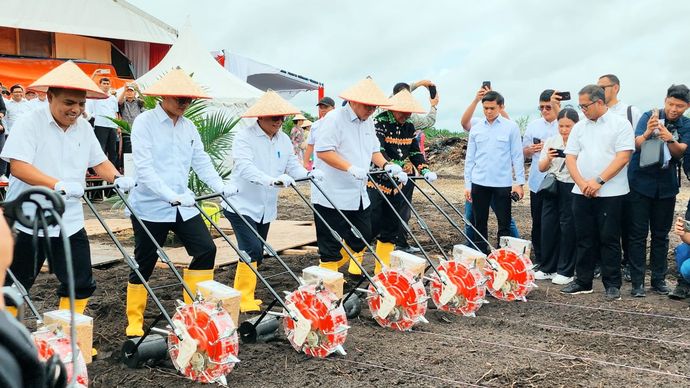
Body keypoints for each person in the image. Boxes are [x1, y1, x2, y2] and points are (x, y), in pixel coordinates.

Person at [0, 61, 135, 329]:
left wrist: (118, 179)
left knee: (80, 280)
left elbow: (99, 162)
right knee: (15, 283)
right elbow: (18, 166)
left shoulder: (83, 127)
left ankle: (67, 332)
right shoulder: (30, 123)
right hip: (29, 220)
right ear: (50, 97)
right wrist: (57, 184)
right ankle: (8, 337)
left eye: (82, 104)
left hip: (69, 219)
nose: (76, 110)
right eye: (69, 102)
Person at [124, 68, 237, 337]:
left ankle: (193, 310)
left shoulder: (189, 127)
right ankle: (134, 320)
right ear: (163, 96)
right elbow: (144, 167)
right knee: (145, 261)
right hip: (150, 205)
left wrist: (220, 186)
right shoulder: (145, 123)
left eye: (189, 100)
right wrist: (168, 194)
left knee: (206, 249)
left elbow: (201, 161)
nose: (185, 104)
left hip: (183, 204)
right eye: (179, 99)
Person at [224, 91, 319, 312]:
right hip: (241, 204)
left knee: (258, 251)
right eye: (274, 118)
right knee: (251, 249)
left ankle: (247, 293)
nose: (279, 122)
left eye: (282, 118)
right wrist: (271, 180)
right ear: (261, 117)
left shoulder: (284, 139)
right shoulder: (244, 137)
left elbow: (292, 167)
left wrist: (309, 174)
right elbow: (244, 167)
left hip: (265, 207)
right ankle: (244, 297)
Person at [312, 77, 399, 274]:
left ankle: (331, 268)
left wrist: (387, 165)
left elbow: (374, 151)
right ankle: (327, 284)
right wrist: (349, 167)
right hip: (331, 193)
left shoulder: (368, 123)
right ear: (354, 101)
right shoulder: (334, 120)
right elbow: (323, 151)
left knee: (363, 235)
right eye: (368, 106)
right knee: (330, 246)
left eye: (374, 107)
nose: (371, 110)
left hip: (358, 193)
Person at [560, 85, 634, 300]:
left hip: (612, 192)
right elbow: (571, 157)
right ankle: (583, 281)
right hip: (581, 191)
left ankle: (612, 284)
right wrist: (582, 183)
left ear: (599, 102)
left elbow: (623, 157)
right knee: (583, 237)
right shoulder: (579, 127)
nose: (582, 110)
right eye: (580, 106)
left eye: (585, 106)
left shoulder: (620, 124)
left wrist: (599, 181)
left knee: (609, 238)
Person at [627, 85, 690, 297]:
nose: (674, 109)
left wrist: (668, 137)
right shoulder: (649, 115)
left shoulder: (686, 124)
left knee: (661, 235)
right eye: (671, 104)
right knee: (637, 234)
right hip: (640, 183)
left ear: (687, 106)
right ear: (665, 100)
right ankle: (637, 282)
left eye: (680, 106)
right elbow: (635, 144)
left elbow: (681, 151)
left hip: (666, 186)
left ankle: (658, 280)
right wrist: (647, 132)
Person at [368, 89, 437, 272]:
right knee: (370, 225)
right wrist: (393, 164)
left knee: (391, 227)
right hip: (376, 182)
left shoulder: (409, 127)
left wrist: (425, 169)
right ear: (393, 108)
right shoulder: (379, 123)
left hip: (397, 185)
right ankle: (352, 266)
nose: (405, 115)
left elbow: (414, 152)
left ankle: (381, 270)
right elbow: (378, 150)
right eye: (402, 111)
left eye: (409, 112)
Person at [464, 91, 525, 254]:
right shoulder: (476, 128)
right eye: (485, 108)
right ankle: (480, 255)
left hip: (502, 183)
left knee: (504, 223)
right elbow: (470, 158)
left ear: (501, 107)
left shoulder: (511, 127)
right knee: (479, 222)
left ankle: (502, 257)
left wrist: (519, 183)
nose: (488, 111)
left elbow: (517, 156)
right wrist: (467, 185)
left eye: (492, 108)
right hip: (479, 182)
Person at [597, 74, 643, 282]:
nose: (599, 91)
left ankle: (626, 265)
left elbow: (637, 143)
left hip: (627, 176)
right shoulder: (594, 114)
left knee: (628, 222)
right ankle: (603, 263)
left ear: (615, 88)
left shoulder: (630, 112)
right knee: (605, 223)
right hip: (601, 177)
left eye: (603, 87)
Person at [536, 108, 579, 284]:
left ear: (576, 125)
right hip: (553, 186)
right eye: (561, 126)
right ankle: (547, 267)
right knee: (548, 226)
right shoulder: (552, 141)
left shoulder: (580, 142)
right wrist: (549, 157)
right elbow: (541, 167)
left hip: (572, 185)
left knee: (568, 228)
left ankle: (566, 270)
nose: (564, 130)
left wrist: (569, 156)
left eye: (568, 126)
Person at [523, 90, 562, 270]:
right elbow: (522, 151)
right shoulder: (533, 126)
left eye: (548, 107)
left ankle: (560, 257)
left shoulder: (563, 123)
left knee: (560, 222)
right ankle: (540, 257)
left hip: (560, 179)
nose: (545, 111)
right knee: (538, 221)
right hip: (538, 181)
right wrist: (530, 150)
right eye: (541, 107)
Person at [85, 77, 120, 166]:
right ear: (100, 85)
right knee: (101, 149)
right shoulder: (95, 96)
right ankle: (99, 171)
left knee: (112, 150)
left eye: (107, 83)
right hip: (100, 125)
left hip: (112, 126)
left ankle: (113, 170)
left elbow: (115, 113)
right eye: (104, 83)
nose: (106, 85)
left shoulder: (113, 98)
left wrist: (118, 126)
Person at [117, 83, 145, 172]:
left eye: (131, 91)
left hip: (138, 130)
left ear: (134, 93)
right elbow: (119, 102)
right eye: (128, 91)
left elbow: (146, 102)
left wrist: (138, 90)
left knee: (137, 149)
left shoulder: (139, 102)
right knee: (126, 149)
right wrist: (124, 89)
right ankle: (126, 168)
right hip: (126, 129)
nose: (129, 93)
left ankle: (137, 168)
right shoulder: (123, 103)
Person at [304, 97, 336, 170]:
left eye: (326, 107)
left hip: (335, 167)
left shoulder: (340, 124)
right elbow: (310, 145)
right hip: (318, 166)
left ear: (334, 108)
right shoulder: (315, 125)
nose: (323, 109)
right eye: (321, 107)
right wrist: (305, 163)